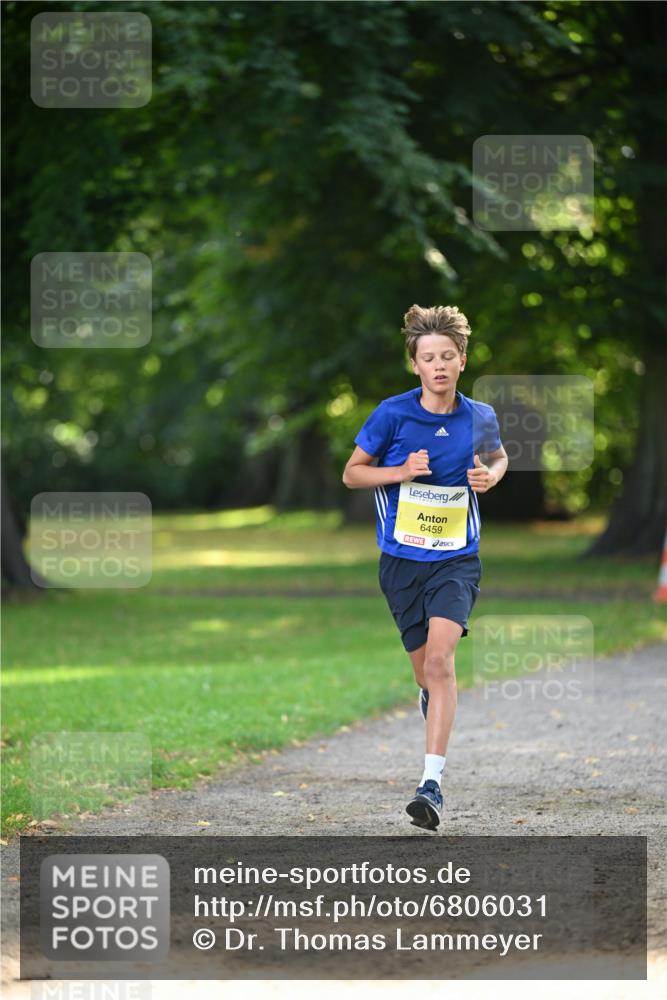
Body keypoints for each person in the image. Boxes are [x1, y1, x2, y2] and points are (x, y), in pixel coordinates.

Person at [342, 304, 508, 831]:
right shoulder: (392, 414)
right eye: (428, 357)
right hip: (400, 564)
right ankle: (431, 695)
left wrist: (492, 476)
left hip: (457, 560)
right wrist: (399, 471)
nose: (438, 365)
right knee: (427, 673)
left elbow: (498, 456)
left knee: (442, 663)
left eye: (448, 356)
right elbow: (351, 474)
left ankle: (430, 785)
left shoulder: (479, 416)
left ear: (462, 360)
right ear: (414, 364)